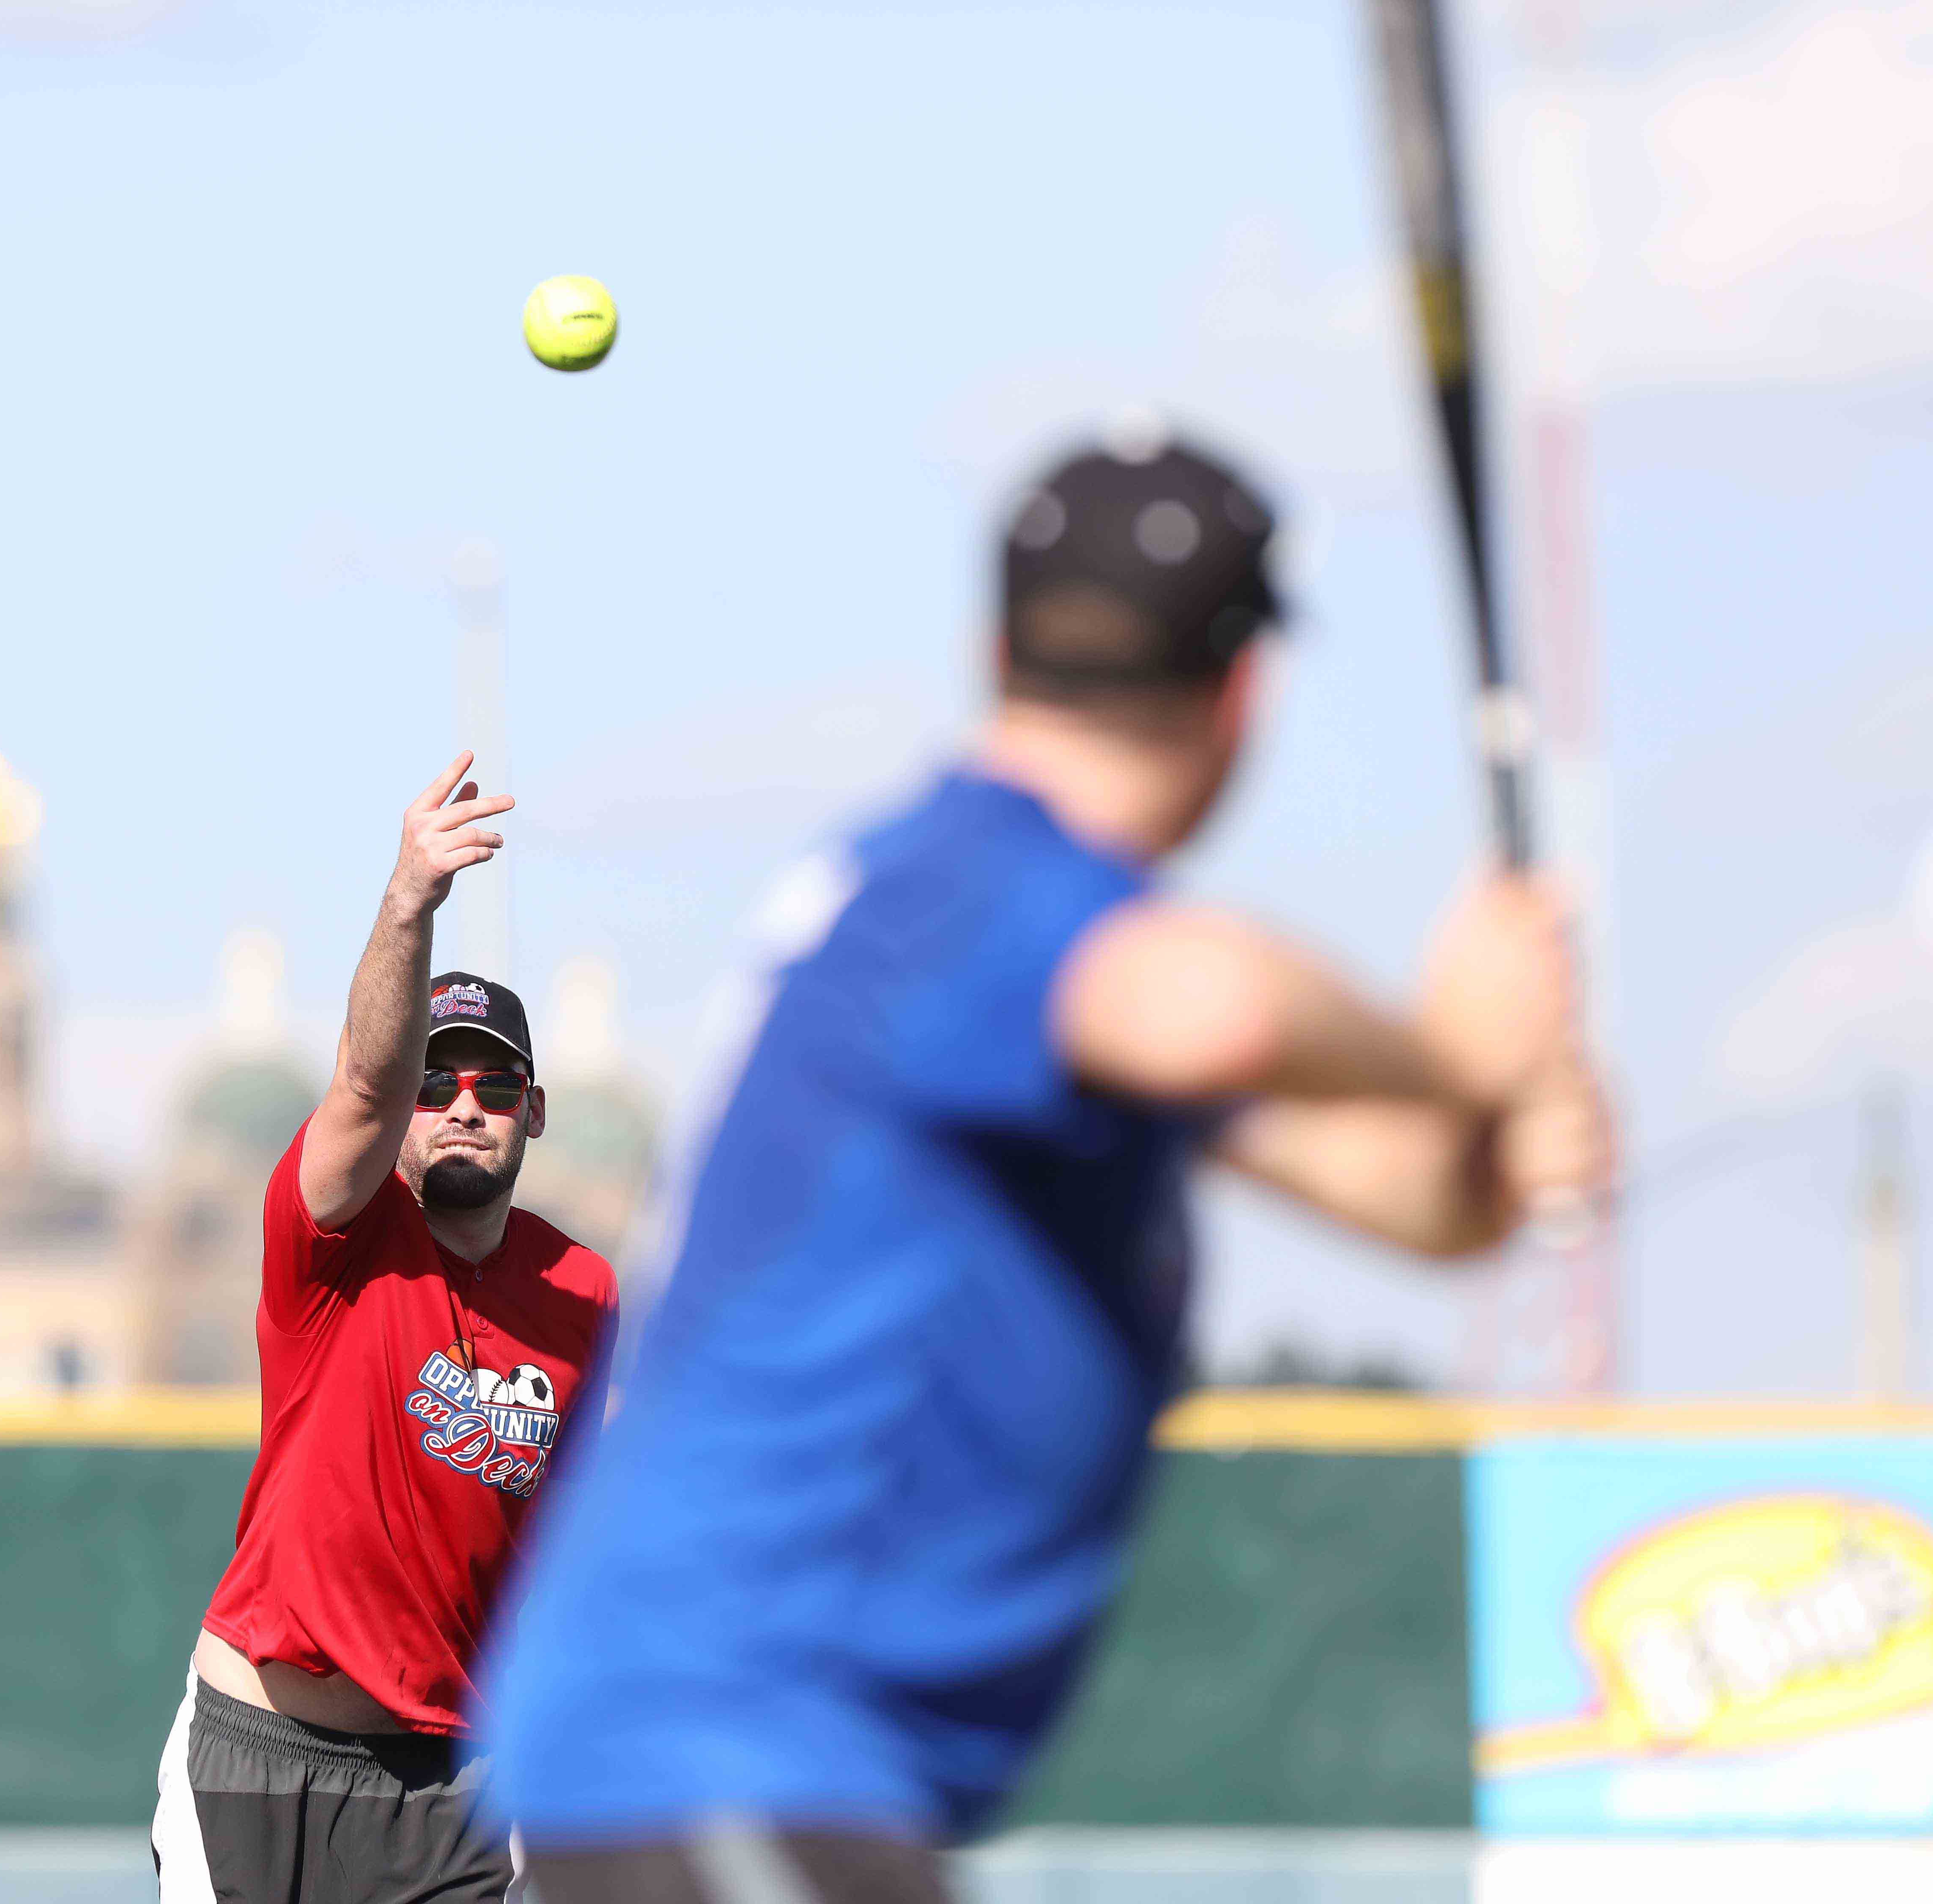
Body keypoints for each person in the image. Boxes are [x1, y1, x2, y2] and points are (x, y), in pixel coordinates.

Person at [485, 434, 1615, 1904]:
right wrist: (1453, 1049)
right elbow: (1221, 1009)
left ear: (993, 649)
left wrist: (1506, 1127)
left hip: (733, 1776)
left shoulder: (1009, 955)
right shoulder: (987, 892)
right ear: (1243, 693)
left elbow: (1421, 1204)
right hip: (732, 1754)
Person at [153, 754, 623, 1904]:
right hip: (262, 1762)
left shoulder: (584, 1294)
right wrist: (409, 899)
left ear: (535, 1112)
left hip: (451, 1787)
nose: (463, 1102)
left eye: (495, 1085)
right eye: (438, 1079)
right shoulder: (339, 1237)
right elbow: (364, 1081)